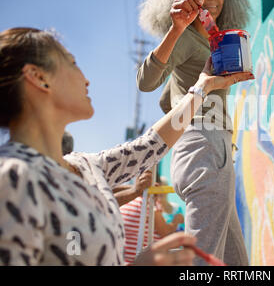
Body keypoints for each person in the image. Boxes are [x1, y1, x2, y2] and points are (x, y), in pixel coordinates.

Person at [0, 27, 253, 266]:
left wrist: (203, 86)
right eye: (72, 63)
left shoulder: (87, 166)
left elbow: (151, 145)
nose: (86, 80)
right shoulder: (12, 175)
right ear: (39, 77)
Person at [137, 0, 251, 266]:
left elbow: (166, 101)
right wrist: (176, 28)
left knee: (235, 262)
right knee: (204, 261)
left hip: (209, 150)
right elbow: (146, 82)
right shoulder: (185, 38)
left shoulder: (214, 41)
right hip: (204, 149)